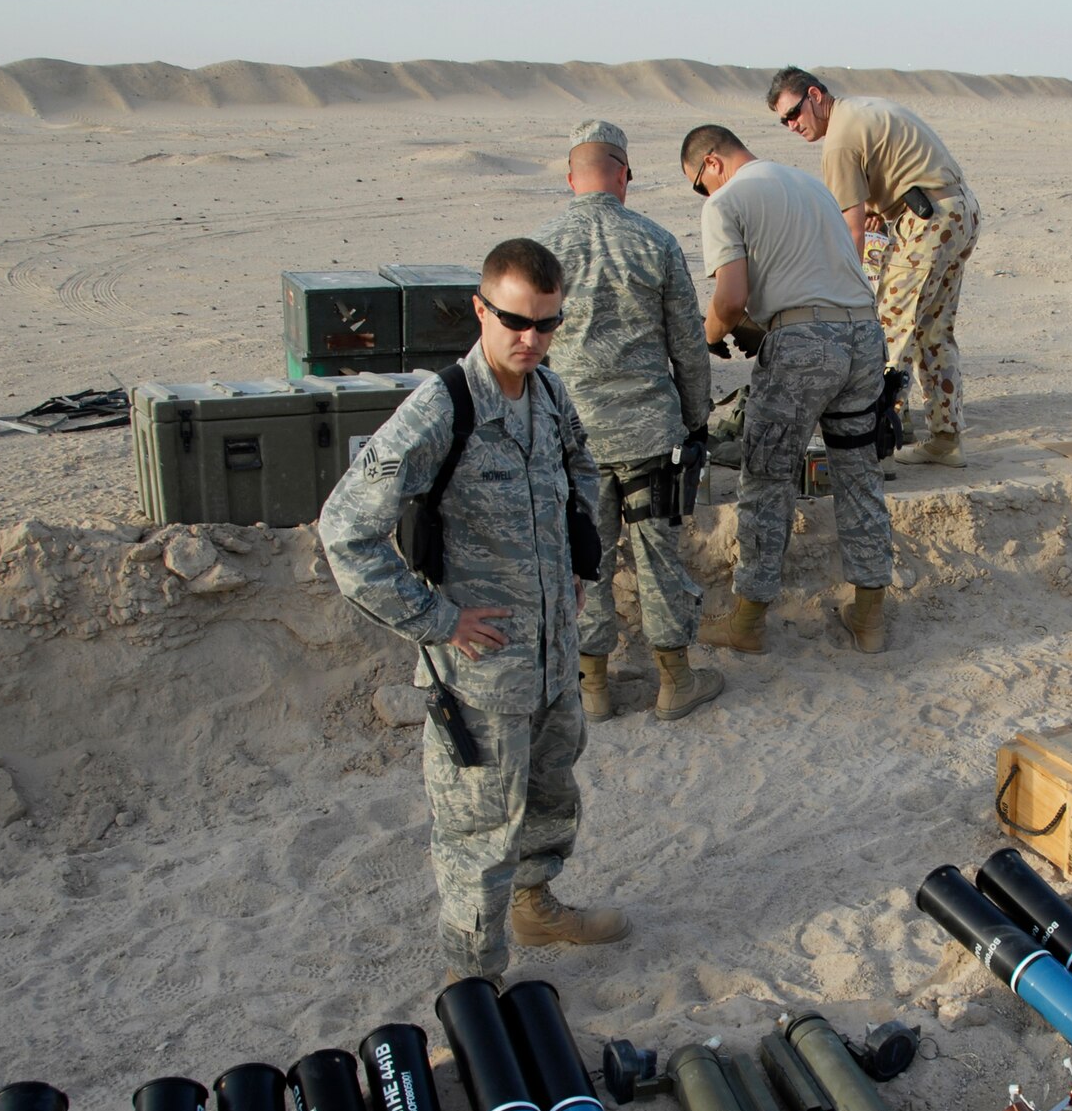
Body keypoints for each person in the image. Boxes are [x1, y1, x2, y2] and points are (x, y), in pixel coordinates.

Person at [319, 238, 628, 983]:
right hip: (482, 675)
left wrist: (579, 556)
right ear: (481, 309)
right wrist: (435, 619)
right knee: (479, 837)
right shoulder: (440, 411)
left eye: (549, 324)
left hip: (552, 660)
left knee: (551, 800)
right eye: (517, 321)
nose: (532, 340)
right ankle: (474, 983)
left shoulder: (550, 394)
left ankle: (536, 907)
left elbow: (581, 467)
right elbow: (345, 529)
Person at [534, 119, 724, 723]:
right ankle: (675, 682)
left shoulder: (542, 249)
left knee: (582, 558)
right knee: (659, 558)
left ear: (571, 179)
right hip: (650, 437)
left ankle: (592, 688)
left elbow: (525, 345)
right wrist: (696, 421)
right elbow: (689, 346)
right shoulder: (654, 241)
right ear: (624, 176)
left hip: (574, 439)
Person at [679, 124, 895, 654]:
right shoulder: (811, 185)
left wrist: (706, 339)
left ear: (711, 163)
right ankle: (869, 620)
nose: (704, 195)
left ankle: (747, 623)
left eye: (698, 184)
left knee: (767, 476)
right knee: (858, 472)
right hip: (864, 335)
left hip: (803, 346)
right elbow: (816, 269)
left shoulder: (726, 201)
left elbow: (729, 300)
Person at [766, 67, 980, 469]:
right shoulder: (862, 109)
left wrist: (842, 291)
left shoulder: (839, 141)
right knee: (933, 331)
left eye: (794, 113)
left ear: (814, 94)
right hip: (957, 212)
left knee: (885, 332)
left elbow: (849, 232)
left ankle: (872, 443)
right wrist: (882, 212)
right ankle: (945, 438)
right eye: (783, 121)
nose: (792, 125)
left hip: (928, 222)